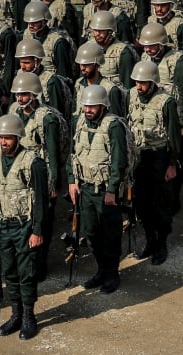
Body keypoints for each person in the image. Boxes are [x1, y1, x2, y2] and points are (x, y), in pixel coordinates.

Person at [0, 114, 49, 340]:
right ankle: (16, 314)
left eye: (8, 138)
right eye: (1, 137)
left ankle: (30, 317)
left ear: (18, 137)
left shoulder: (33, 162)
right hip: (2, 223)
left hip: (24, 226)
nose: (4, 142)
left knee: (26, 272)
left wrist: (38, 231)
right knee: (9, 271)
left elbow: (41, 200)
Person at [67, 84, 132, 294]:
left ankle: (112, 274)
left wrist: (113, 190)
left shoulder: (114, 126)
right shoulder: (78, 122)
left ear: (103, 106)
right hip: (85, 187)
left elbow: (119, 161)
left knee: (110, 234)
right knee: (91, 233)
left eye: (93, 106)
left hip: (105, 190)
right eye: (86, 106)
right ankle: (101, 270)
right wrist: (71, 181)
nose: (88, 110)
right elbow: (72, 154)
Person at [10, 71, 67, 281]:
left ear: (34, 94)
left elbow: (52, 153)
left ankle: (39, 265)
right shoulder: (14, 112)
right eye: (17, 94)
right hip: (20, 174)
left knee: (41, 221)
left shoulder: (47, 118)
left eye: (24, 94)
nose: (19, 98)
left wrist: (53, 183)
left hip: (41, 174)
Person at [127, 60, 179, 265]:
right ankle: (150, 240)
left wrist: (172, 164)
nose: (139, 87)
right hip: (138, 157)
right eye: (137, 82)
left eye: (143, 83)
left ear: (153, 82)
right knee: (142, 204)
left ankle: (161, 244)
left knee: (161, 204)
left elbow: (174, 136)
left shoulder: (166, 102)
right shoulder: (131, 95)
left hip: (159, 157)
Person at [139, 22, 183, 209]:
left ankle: (173, 198)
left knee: (175, 157)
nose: (147, 49)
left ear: (162, 44)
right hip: (152, 117)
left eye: (151, 46)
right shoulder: (146, 58)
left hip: (174, 117)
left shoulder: (179, 61)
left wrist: (180, 124)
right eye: (145, 46)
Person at [73, 41, 127, 121]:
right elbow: (75, 114)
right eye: (81, 64)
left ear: (97, 64)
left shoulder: (110, 90)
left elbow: (116, 121)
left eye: (87, 64)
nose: (82, 68)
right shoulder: (79, 84)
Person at [22, 0, 75, 79]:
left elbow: (63, 75)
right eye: (28, 22)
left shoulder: (58, 42)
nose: (30, 26)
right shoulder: (27, 35)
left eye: (35, 22)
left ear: (44, 21)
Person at [88, 10, 138, 89]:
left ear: (110, 31)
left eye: (101, 30)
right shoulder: (89, 48)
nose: (97, 34)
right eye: (95, 30)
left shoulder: (123, 52)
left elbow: (127, 88)